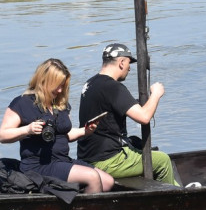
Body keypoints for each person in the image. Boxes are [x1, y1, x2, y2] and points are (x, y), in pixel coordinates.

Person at [0, 58, 114, 193]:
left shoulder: (60, 104)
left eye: (63, 85)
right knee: (92, 177)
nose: (60, 90)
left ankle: (78, 205)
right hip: (38, 165)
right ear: (44, 81)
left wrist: (85, 131)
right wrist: (27, 129)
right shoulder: (22, 103)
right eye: (57, 85)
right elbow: (3, 135)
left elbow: (66, 135)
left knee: (107, 181)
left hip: (62, 160)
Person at [77, 43, 180, 185]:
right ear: (121, 62)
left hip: (87, 155)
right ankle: (177, 198)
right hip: (107, 160)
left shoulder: (90, 83)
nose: (129, 68)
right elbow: (144, 117)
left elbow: (116, 106)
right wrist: (156, 94)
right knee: (162, 160)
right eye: (128, 63)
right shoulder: (113, 87)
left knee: (135, 141)